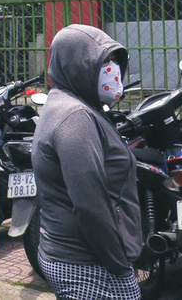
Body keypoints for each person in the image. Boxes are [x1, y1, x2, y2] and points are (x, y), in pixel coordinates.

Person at [26, 25, 140, 299]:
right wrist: (118, 263)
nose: (112, 69)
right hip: (89, 265)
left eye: (114, 60)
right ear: (76, 65)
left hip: (74, 255)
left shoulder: (64, 102)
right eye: (103, 61)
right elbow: (90, 203)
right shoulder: (76, 117)